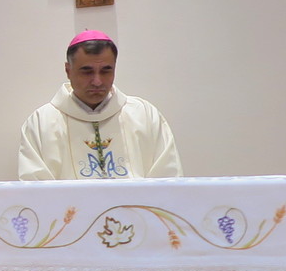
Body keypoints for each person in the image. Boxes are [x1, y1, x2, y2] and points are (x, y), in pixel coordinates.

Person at [18, 30, 181, 180]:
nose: (97, 81)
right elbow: (34, 189)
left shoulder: (144, 115)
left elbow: (168, 181)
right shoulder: (42, 123)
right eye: (87, 71)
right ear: (68, 70)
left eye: (106, 70)